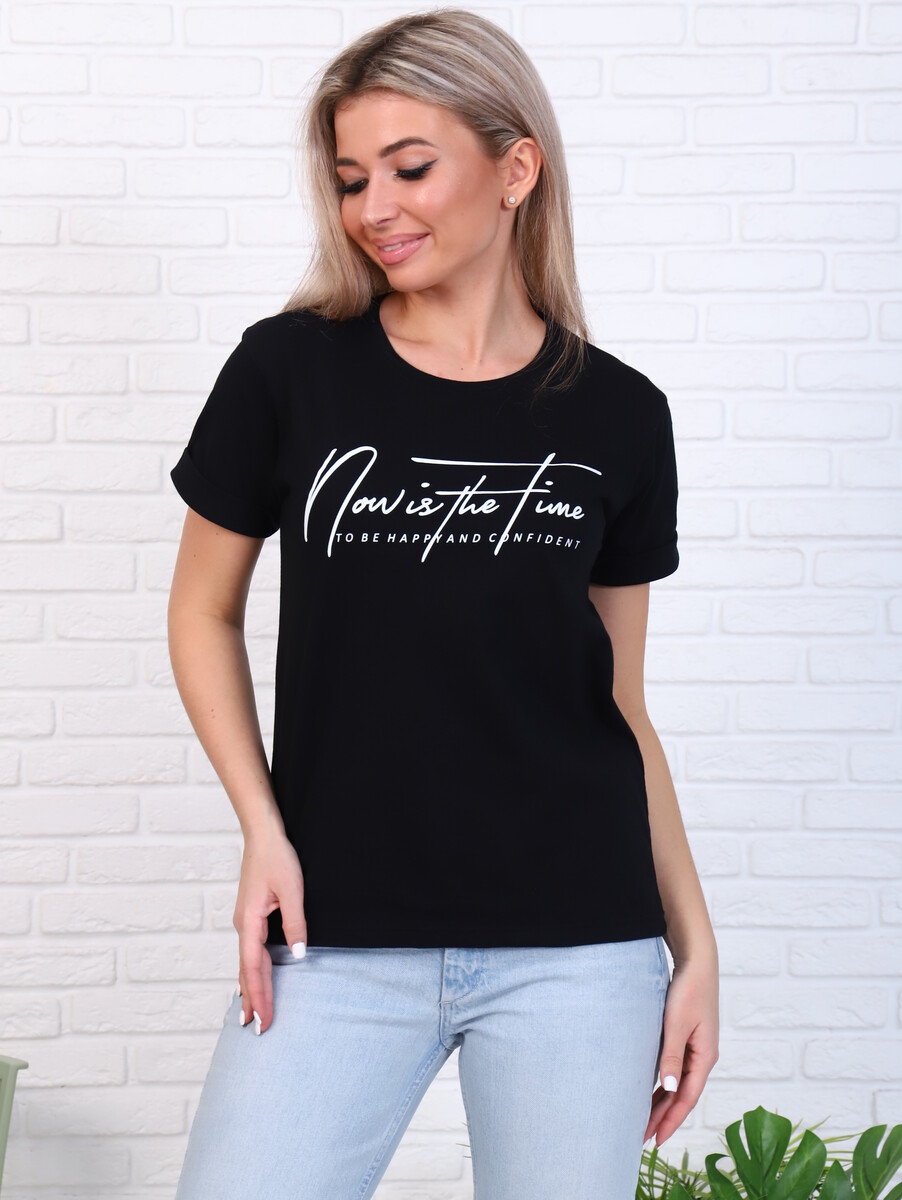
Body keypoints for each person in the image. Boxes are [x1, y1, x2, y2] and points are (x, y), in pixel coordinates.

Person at [166, 9, 719, 1199]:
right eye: (351, 178)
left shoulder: (620, 415)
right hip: (332, 933)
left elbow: (619, 706)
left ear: (515, 169)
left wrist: (693, 946)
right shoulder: (288, 371)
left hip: (579, 946)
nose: (374, 207)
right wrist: (262, 829)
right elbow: (202, 611)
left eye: (409, 168)